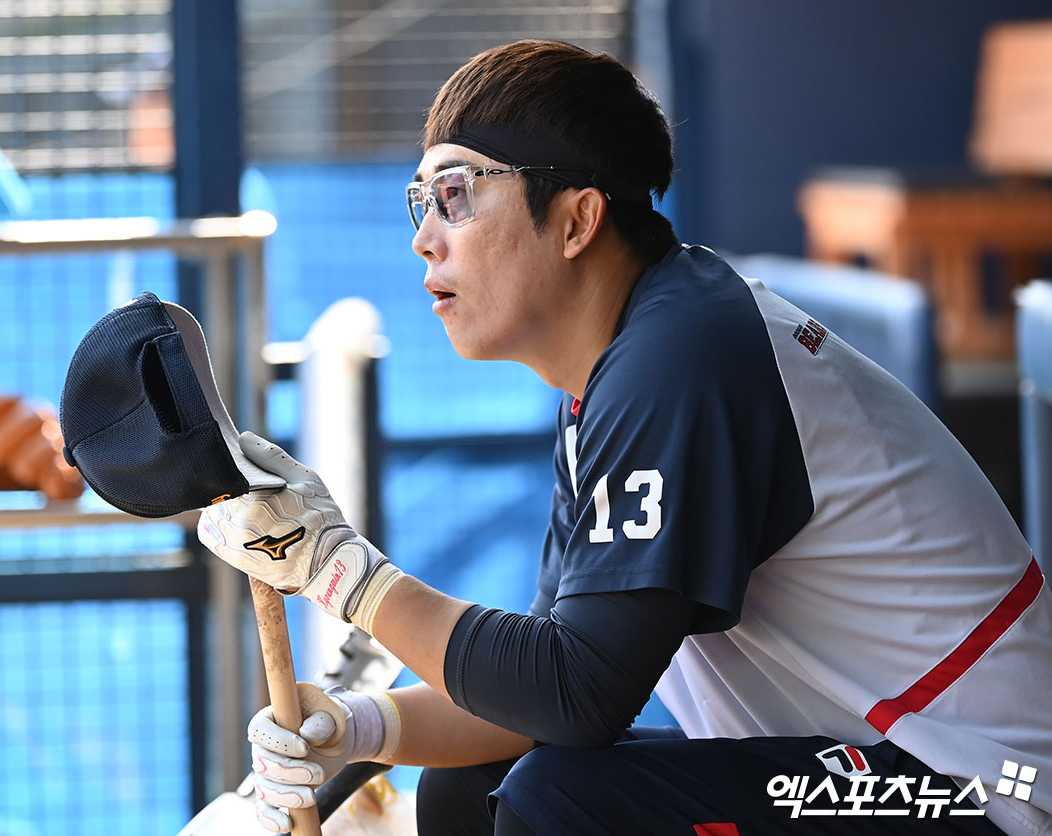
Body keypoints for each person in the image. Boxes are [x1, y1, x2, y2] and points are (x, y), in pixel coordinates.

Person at [197, 39, 1052, 836]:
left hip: (983, 791)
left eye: (454, 195)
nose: (425, 236)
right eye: (421, 202)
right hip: (879, 775)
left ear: (576, 221)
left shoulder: (680, 359)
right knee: (476, 787)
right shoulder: (622, 368)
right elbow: (530, 697)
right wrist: (357, 726)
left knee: (555, 799)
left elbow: (577, 697)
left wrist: (340, 572)